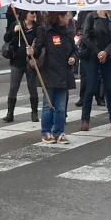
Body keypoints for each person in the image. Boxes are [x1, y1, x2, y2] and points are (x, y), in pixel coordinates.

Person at [30, 12, 77, 144]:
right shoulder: (45, 30)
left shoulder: (68, 32)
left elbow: (74, 50)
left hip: (64, 74)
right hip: (48, 74)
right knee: (48, 106)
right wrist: (32, 52)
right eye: (67, 15)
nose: (69, 17)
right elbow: (37, 50)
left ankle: (59, 132)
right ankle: (46, 132)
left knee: (61, 107)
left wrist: (74, 58)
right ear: (60, 17)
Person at [77, 10, 111, 132]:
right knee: (90, 87)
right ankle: (85, 119)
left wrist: (106, 52)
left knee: (109, 88)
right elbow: (85, 37)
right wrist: (98, 52)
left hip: (107, 56)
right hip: (91, 56)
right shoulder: (91, 16)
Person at [2, 10, 40, 123]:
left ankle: (34, 113)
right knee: (13, 87)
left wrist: (34, 51)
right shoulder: (17, 24)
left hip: (30, 61)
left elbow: (40, 43)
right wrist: (14, 31)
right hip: (17, 61)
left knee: (32, 87)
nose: (33, 14)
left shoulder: (37, 28)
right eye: (31, 12)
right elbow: (6, 38)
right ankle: (10, 113)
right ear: (25, 14)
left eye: (35, 12)